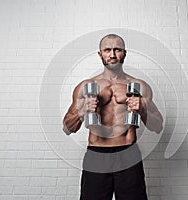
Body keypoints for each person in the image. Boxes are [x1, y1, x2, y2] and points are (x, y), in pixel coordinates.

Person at [63, 34, 163, 200]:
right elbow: (67, 128)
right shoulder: (85, 86)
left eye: (117, 49)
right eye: (107, 50)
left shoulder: (139, 86)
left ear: (124, 53)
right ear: (100, 54)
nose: (112, 54)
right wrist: (82, 111)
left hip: (128, 153)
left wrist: (143, 110)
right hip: (96, 155)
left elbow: (158, 126)